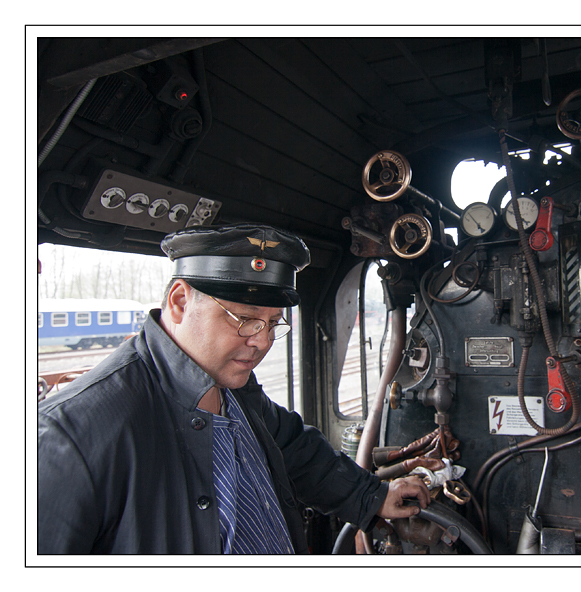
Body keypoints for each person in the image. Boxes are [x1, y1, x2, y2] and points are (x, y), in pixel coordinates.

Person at [37, 223, 429, 554]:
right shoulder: (70, 434)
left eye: (274, 322)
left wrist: (370, 497)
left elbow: (295, 448)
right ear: (178, 302)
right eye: (244, 319)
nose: (261, 341)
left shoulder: (234, 387)